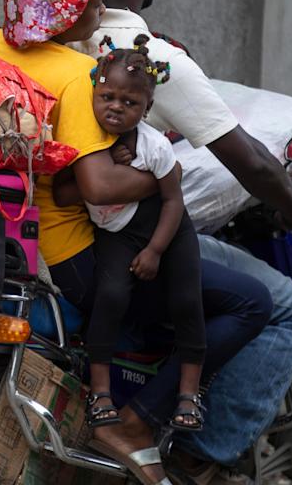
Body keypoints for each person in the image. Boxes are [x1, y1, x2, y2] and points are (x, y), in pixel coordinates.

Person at [0, 0, 273, 485]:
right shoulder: (75, 76)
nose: (102, 11)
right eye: (96, 1)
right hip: (75, 257)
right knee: (252, 302)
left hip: (4, 233)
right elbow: (100, 187)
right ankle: (136, 422)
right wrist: (166, 179)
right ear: (77, 10)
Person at [72, 0, 292, 484]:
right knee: (286, 309)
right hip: (120, 233)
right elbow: (252, 161)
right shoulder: (148, 57)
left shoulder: (48, 36)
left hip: (49, 225)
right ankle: (195, 455)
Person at [55, 35, 207, 436]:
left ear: (148, 108)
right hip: (116, 233)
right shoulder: (88, 142)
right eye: (108, 97)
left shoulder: (155, 147)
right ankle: (100, 394)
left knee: (187, 300)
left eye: (130, 103)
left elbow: (174, 200)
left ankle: (189, 395)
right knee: (110, 297)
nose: (116, 109)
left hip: (166, 229)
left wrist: (156, 250)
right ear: (94, 92)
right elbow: (63, 193)